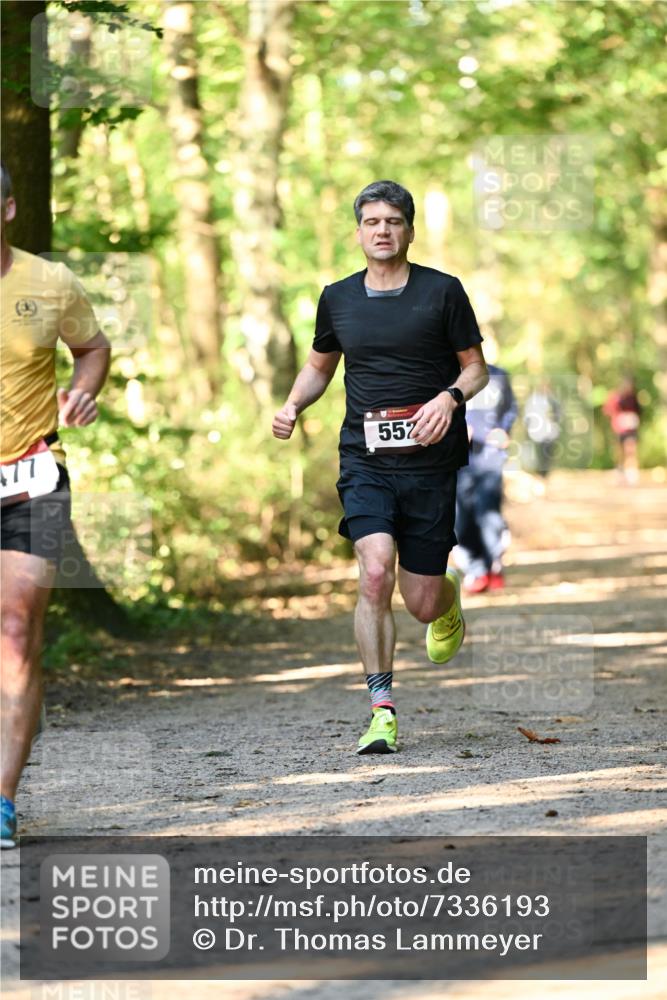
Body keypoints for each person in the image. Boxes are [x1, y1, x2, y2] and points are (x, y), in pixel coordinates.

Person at [272, 180, 488, 754]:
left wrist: (449, 398)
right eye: (372, 222)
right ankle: (381, 710)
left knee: (419, 604)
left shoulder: (443, 292)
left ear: (409, 230)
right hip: (364, 459)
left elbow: (476, 370)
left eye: (393, 221)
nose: (383, 230)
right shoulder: (337, 298)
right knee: (374, 571)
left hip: (430, 465)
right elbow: (320, 366)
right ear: (359, 231)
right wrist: (294, 404)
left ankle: (447, 593)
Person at [0, 162, 111, 847]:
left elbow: (91, 348)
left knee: (15, 632)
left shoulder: (50, 282)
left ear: (8, 210)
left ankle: (2, 801)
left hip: (31, 476)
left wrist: (82, 390)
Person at [453, 363, 517, 594]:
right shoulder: (447, 373)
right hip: (459, 458)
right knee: (461, 516)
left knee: (488, 512)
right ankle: (476, 569)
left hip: (491, 457)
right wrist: (458, 429)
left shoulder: (498, 375)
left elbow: (511, 408)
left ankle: (494, 565)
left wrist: (504, 429)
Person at [602, 376, 641, 485]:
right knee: (620, 451)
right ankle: (620, 472)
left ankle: (632, 473)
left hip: (631, 427)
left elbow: (639, 412)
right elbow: (609, 410)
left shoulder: (634, 397)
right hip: (621, 428)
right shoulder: (617, 397)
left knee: (631, 449)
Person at [523, 380, 561, 478]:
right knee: (540, 453)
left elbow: (558, 414)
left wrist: (554, 418)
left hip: (550, 432)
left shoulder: (553, 400)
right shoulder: (533, 400)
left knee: (548, 454)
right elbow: (528, 415)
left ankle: (545, 473)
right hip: (537, 432)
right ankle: (540, 473)